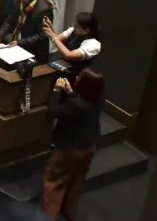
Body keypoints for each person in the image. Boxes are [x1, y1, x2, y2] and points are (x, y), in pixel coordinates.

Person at [40, 69, 104, 220]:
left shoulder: (75, 105)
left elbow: (54, 110)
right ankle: (69, 212)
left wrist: (56, 90)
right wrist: (70, 92)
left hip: (69, 148)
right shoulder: (99, 99)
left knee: (54, 183)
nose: (75, 80)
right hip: (89, 146)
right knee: (76, 181)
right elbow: (81, 105)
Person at [0, 0, 54, 64]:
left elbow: (42, 35)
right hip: (15, 46)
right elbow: (9, 22)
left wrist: (20, 43)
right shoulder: (19, 0)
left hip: (33, 53)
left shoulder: (44, 10)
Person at [44, 13, 102, 80]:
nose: (74, 26)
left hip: (74, 75)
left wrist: (52, 35)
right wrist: (50, 29)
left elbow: (69, 55)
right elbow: (57, 39)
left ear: (86, 31)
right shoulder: (73, 30)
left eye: (77, 26)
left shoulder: (93, 44)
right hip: (61, 65)